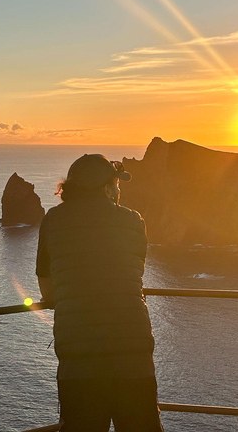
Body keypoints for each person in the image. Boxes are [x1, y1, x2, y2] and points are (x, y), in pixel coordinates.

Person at [36, 154, 164, 432]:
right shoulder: (134, 221)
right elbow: (134, 277)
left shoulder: (52, 221)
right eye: (117, 184)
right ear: (106, 188)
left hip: (78, 361)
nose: (119, 191)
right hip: (134, 355)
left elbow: (47, 288)